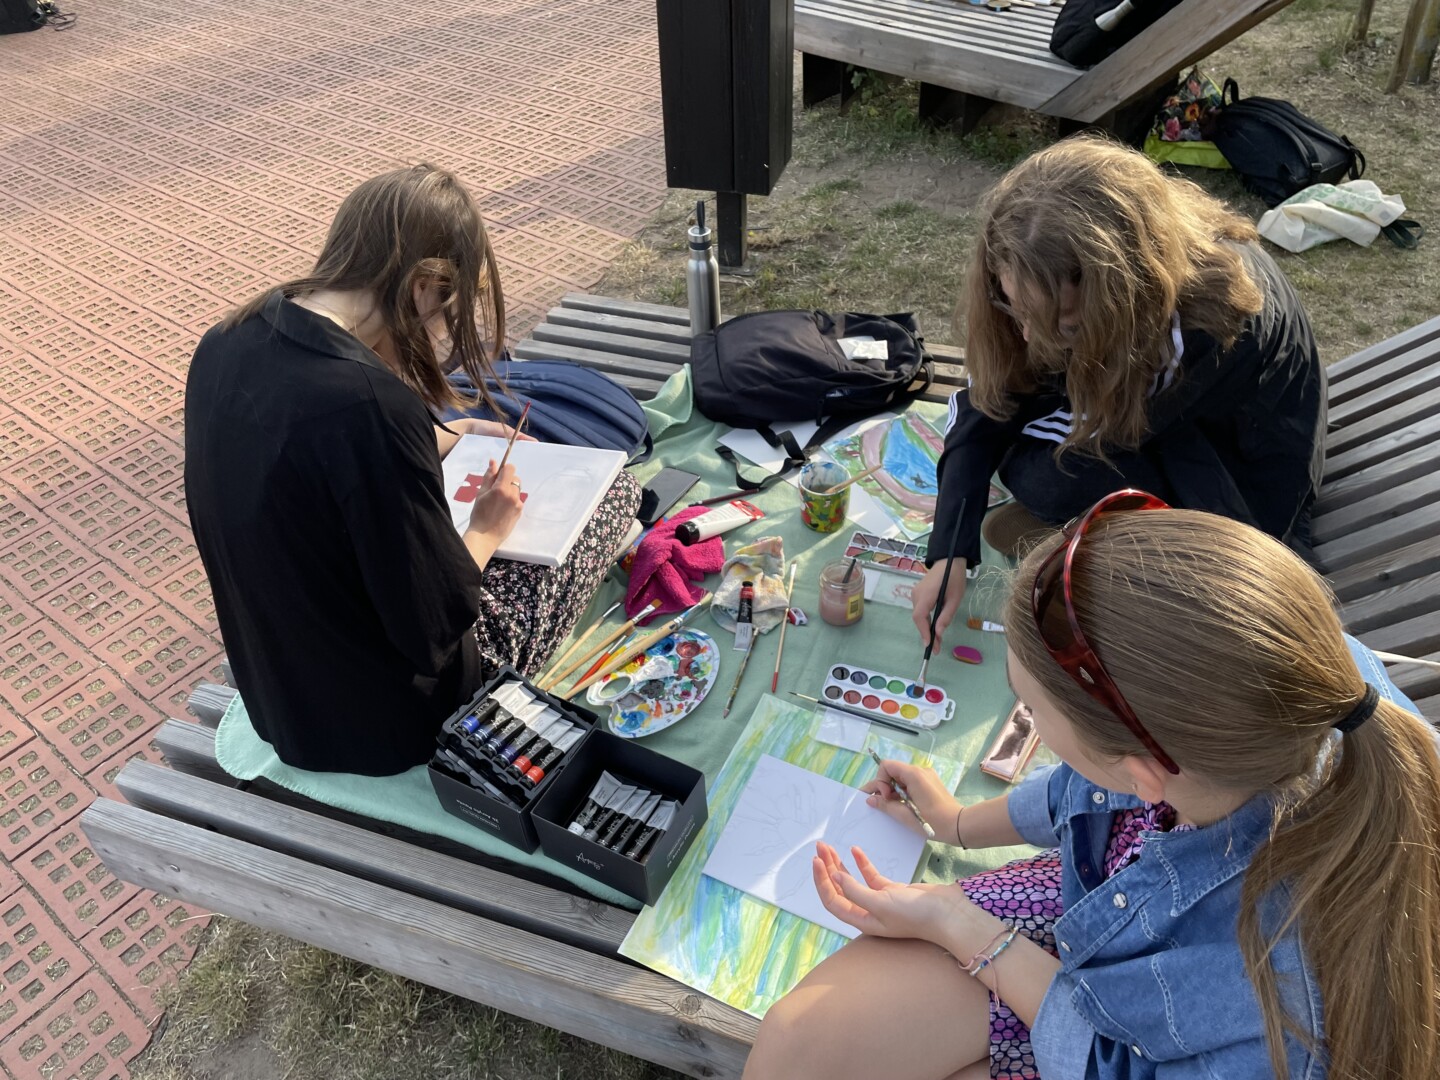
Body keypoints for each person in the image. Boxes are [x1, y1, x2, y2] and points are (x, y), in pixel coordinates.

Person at [745, 494, 1440, 1080]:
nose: (1030, 725)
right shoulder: (1289, 681)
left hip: (1134, 1045)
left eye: (1032, 712)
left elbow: (1113, 1066)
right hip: (1115, 900)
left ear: (1142, 771)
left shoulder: (1280, 1016)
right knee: (797, 1045)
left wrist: (964, 928)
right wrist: (955, 823)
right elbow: (1088, 794)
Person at [184, 164, 639, 776]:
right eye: (449, 306)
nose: (442, 326)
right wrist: (488, 527)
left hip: (281, 696)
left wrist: (445, 436)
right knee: (614, 495)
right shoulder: (369, 404)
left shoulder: (227, 339)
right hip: (390, 724)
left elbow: (307, 462)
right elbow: (435, 624)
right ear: (425, 284)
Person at [911, 136, 1325, 650]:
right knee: (1011, 424)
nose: (1026, 335)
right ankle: (1082, 523)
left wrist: (1009, 431)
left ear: (1120, 290)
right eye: (1015, 307)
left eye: (1061, 323)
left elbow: (1094, 425)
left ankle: (1088, 531)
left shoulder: (1199, 331)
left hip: (1236, 466)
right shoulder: (1108, 276)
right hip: (1164, 411)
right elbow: (993, 394)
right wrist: (950, 548)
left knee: (1048, 478)